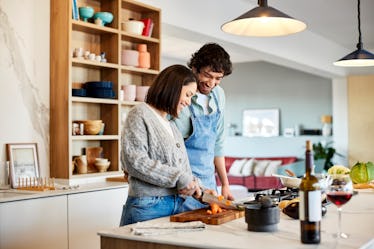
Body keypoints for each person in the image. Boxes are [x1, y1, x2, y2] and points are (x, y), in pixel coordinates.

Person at [120, 64, 208, 226]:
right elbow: (135, 161)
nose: (189, 102)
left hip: (176, 204)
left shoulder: (172, 127)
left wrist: (198, 186)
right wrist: (180, 178)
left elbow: (183, 169)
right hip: (148, 206)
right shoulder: (140, 113)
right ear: (173, 88)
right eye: (188, 95)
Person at [173, 43, 234, 210]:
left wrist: (225, 184)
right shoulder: (179, 95)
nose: (211, 83)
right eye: (207, 75)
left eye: (218, 78)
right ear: (194, 68)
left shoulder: (219, 95)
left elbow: (218, 144)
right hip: (183, 186)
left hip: (209, 185)